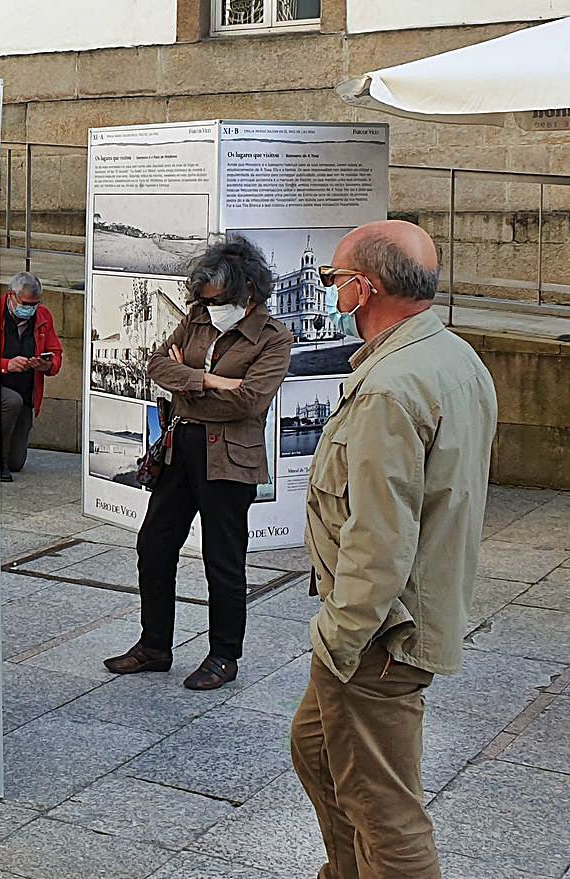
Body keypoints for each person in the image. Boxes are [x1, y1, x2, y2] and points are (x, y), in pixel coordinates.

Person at [291, 221, 496, 879]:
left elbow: (378, 538)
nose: (329, 291)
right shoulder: (449, 355)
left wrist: (340, 638)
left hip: (380, 634)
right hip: (396, 616)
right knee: (316, 748)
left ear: (362, 288)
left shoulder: (390, 385)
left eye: (332, 279)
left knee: (384, 805)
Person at [105, 236, 293, 691]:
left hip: (229, 458)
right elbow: (156, 366)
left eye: (219, 300)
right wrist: (209, 379)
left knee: (222, 560)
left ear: (247, 291)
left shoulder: (273, 339)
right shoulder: (196, 320)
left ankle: (224, 655)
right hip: (179, 448)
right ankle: (154, 646)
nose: (210, 308)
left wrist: (188, 387)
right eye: (204, 300)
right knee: (154, 546)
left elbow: (248, 403)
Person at [0, 272, 63, 482]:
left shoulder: (43, 316)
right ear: (11, 296)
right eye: (26, 303)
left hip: (26, 392)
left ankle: (7, 459)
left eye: (35, 303)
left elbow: (56, 354)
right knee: (10, 401)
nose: (30, 308)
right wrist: (7, 365)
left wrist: (46, 364)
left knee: (17, 462)